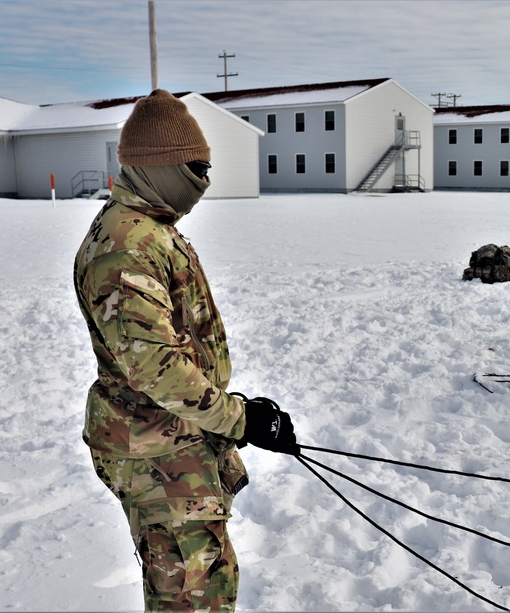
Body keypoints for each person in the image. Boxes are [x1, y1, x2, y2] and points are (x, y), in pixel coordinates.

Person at [73, 89, 298, 612]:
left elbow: (172, 351)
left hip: (173, 439)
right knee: (191, 600)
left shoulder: (151, 230)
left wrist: (231, 412)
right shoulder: (126, 245)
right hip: (154, 452)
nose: (205, 180)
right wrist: (239, 420)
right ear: (162, 164)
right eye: (196, 167)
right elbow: (156, 368)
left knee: (206, 587)